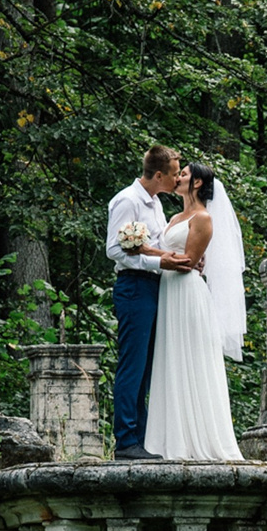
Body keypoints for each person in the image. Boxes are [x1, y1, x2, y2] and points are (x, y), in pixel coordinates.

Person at [141, 160, 247, 461]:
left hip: (187, 293)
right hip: (168, 290)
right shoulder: (174, 216)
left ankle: (198, 440)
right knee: (170, 359)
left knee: (190, 359)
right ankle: (166, 441)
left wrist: (147, 250)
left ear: (197, 183)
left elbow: (188, 260)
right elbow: (174, 254)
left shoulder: (203, 218)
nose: (178, 179)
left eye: (183, 174)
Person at [105, 145, 193, 459]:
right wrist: (159, 264)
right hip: (134, 288)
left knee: (146, 370)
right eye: (174, 173)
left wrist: (173, 257)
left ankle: (142, 440)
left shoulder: (154, 203)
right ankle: (126, 442)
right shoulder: (128, 201)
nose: (177, 178)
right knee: (132, 366)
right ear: (159, 175)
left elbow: (147, 246)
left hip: (155, 287)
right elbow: (115, 250)